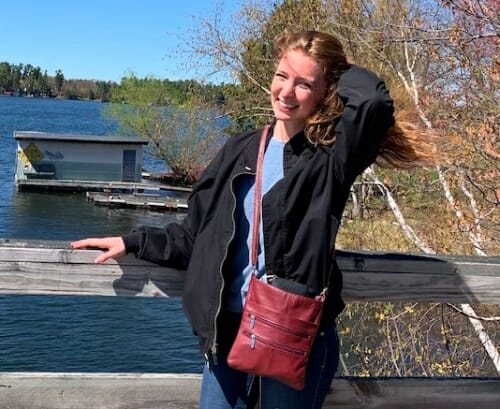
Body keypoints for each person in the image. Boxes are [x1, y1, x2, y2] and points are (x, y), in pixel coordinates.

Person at [72, 30, 430, 409]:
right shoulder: (240, 148)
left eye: (304, 83)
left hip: (292, 334)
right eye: (281, 76)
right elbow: (196, 235)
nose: (287, 92)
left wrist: (335, 68)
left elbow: (372, 101)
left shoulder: (329, 159)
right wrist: (134, 242)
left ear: (326, 91)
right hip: (227, 331)